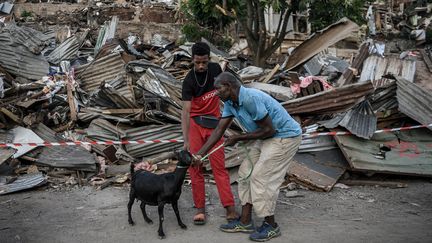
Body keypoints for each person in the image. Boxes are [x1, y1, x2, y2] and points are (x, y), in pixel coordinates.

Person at [192, 72, 302, 241]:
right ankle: (245, 221)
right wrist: (199, 155)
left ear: (229, 86)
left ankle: (271, 226)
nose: (216, 93)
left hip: (284, 136)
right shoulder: (230, 102)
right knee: (245, 175)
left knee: (260, 177)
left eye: (218, 89)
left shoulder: (250, 98)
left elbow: (269, 130)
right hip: (264, 136)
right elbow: (219, 130)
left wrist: (238, 137)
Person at [181, 42, 238, 225]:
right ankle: (199, 208)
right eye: (197, 62)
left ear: (209, 60)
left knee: (219, 168)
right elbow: (186, 112)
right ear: (192, 60)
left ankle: (229, 207)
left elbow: (231, 89)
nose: (201, 66)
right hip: (196, 127)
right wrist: (186, 140)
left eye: (204, 62)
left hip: (215, 125)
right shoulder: (189, 81)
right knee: (195, 166)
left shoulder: (216, 70)